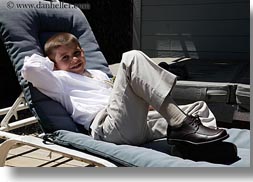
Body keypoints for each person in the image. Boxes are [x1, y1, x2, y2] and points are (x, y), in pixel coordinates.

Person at [22, 32, 229, 146]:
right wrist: (51, 64)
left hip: (134, 125)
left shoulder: (99, 74)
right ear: (54, 64)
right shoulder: (58, 80)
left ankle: (195, 147)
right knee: (132, 57)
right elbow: (30, 70)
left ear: (83, 52)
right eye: (65, 57)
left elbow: (122, 99)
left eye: (77, 53)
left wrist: (145, 105)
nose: (74, 59)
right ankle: (179, 123)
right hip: (108, 129)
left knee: (198, 109)